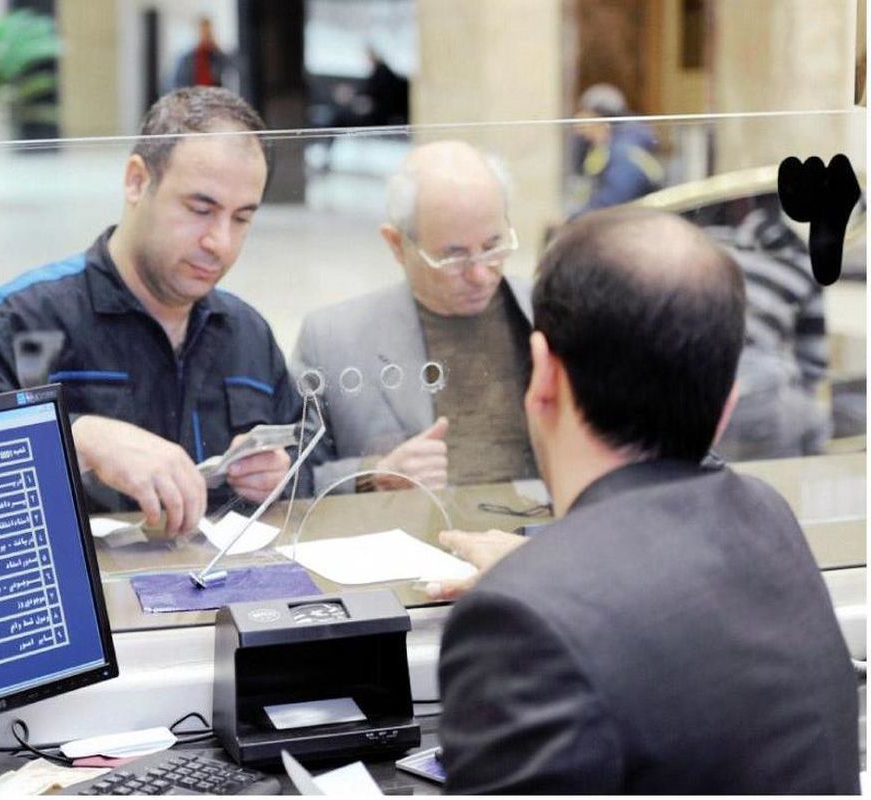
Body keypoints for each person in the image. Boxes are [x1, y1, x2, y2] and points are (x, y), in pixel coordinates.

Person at [435, 208, 859, 793]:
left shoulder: (517, 621)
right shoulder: (766, 514)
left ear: (542, 375)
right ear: (727, 398)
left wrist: (542, 585)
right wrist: (548, 575)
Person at [0, 87, 298, 538]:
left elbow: (310, 464)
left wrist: (278, 477)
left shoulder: (247, 335)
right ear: (137, 181)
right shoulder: (20, 321)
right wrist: (78, 439)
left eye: (241, 218)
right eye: (200, 208)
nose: (221, 242)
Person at [293, 141, 537, 493]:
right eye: (453, 257)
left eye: (493, 246)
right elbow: (292, 482)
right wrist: (371, 473)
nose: (481, 274)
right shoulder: (333, 340)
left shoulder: (553, 316)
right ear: (396, 245)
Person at [706, 196, 831, 459]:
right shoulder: (804, 261)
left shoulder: (700, 248)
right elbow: (813, 365)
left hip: (700, 389)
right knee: (815, 425)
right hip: (766, 399)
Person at [569, 83, 663, 217]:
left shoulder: (624, 152)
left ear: (599, 118)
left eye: (584, 114)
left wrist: (574, 220)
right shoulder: (603, 149)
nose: (578, 121)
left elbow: (614, 199)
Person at [172, 17, 231, 90]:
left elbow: (231, 68)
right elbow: (179, 83)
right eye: (203, 33)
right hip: (193, 97)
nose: (206, 37)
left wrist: (217, 50)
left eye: (208, 33)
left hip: (213, 97)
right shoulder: (186, 59)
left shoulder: (216, 56)